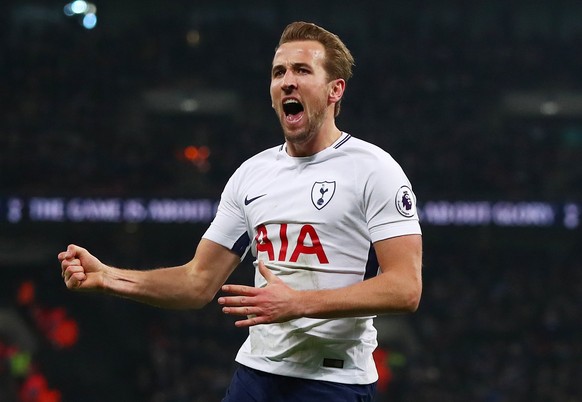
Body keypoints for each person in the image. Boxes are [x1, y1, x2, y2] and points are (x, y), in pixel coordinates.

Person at [58, 21, 423, 401]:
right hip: (255, 377)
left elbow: (405, 287)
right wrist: (109, 278)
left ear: (335, 90)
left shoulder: (373, 169)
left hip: (334, 383)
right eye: (278, 72)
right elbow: (197, 281)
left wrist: (299, 304)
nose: (287, 81)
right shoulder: (251, 175)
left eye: (302, 70)